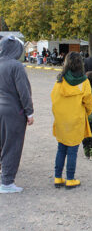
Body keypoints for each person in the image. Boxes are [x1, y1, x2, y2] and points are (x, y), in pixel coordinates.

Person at [51, 52, 92, 189]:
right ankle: (70, 179)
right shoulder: (84, 82)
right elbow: (88, 102)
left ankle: (58, 177)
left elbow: (54, 99)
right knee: (72, 151)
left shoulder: (60, 80)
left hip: (62, 120)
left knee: (61, 149)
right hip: (76, 120)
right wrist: (86, 113)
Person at [0, 36, 34, 194]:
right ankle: (7, 182)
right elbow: (24, 92)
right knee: (12, 145)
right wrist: (29, 112)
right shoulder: (16, 66)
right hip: (12, 112)